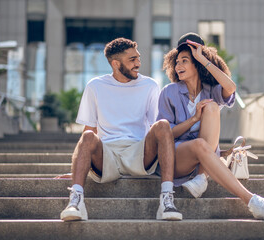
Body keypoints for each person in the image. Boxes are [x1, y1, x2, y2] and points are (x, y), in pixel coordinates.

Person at [157, 32, 264, 219]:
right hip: (177, 158)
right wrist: (193, 119)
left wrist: (202, 58)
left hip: (203, 159)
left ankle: (201, 177)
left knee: (213, 106)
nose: (178, 66)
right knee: (199, 144)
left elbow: (231, 88)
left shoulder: (210, 90)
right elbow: (165, 134)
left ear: (197, 64)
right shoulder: (169, 92)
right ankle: (252, 201)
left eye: (184, 61)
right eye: (176, 61)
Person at [60, 38, 182, 221]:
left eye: (138, 58)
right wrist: (79, 168)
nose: (138, 63)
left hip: (139, 152)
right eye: (132, 60)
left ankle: (166, 200)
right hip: (106, 155)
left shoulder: (150, 85)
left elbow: (155, 129)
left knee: (163, 125)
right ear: (116, 63)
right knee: (87, 136)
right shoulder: (95, 86)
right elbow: (89, 132)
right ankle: (76, 201)